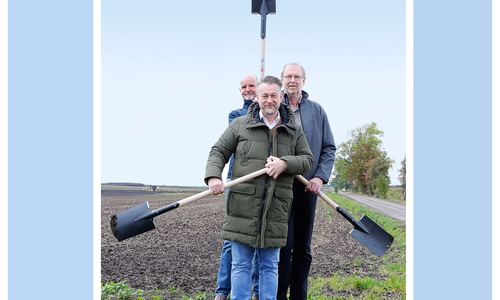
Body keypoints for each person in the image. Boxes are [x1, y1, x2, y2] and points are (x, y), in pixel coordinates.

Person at [205, 75, 314, 300]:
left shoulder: (293, 130)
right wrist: (214, 177)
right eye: (264, 95)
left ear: (281, 96)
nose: (269, 100)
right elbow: (218, 151)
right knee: (241, 265)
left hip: (276, 207)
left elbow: (307, 159)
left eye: (274, 95)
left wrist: (286, 163)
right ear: (257, 97)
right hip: (243, 206)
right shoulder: (240, 124)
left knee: (269, 266)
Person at [276, 63, 337, 300]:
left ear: (304, 80)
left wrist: (320, 177)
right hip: (280, 188)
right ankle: (278, 295)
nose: (292, 80)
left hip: (307, 188)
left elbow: (329, 147)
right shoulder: (274, 108)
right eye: (288, 76)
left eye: (297, 76)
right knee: (282, 246)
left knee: (302, 248)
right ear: (282, 79)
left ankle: (299, 296)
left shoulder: (317, 111)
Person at [214, 74, 260, 300]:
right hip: (237, 182)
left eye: (251, 85)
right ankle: (223, 290)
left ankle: (256, 292)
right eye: (243, 87)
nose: (247, 89)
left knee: (262, 239)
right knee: (233, 239)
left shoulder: (273, 113)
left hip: (263, 184)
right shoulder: (237, 116)